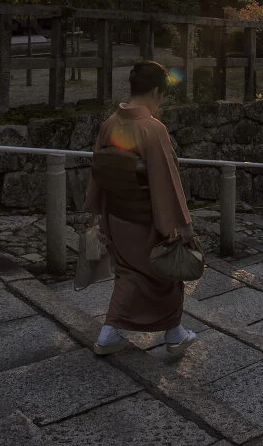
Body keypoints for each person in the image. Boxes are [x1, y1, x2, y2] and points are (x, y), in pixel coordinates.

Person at [84, 60, 196, 356]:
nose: (162, 102)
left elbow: (99, 171)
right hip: (147, 221)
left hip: (118, 217)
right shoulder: (151, 129)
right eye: (163, 95)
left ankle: (110, 333)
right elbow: (167, 181)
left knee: (129, 275)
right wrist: (182, 225)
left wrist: (99, 213)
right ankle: (174, 334)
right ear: (157, 91)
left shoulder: (111, 123)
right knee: (166, 276)